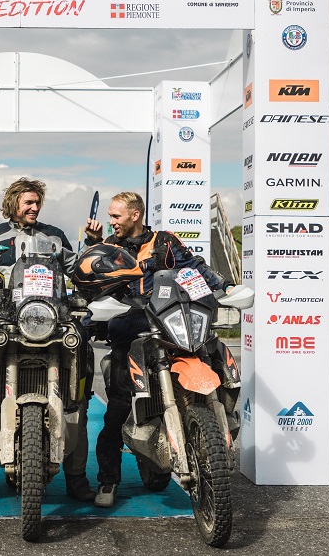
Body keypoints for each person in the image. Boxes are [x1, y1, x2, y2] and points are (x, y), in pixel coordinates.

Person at [0, 177, 95, 504]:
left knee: (77, 400)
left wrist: (94, 249)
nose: (34, 208)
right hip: (4, 321)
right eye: (28, 202)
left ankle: (77, 478)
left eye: (37, 203)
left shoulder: (55, 236)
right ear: (13, 204)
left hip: (52, 321)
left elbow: (78, 269)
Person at [81, 191, 235, 508]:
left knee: (212, 354)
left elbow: (196, 268)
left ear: (135, 214)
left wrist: (226, 286)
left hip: (169, 325)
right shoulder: (110, 247)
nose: (112, 221)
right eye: (110, 216)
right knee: (118, 408)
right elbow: (91, 281)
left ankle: (215, 431)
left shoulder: (165, 241)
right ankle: (108, 481)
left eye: (116, 216)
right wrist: (91, 246)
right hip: (130, 331)